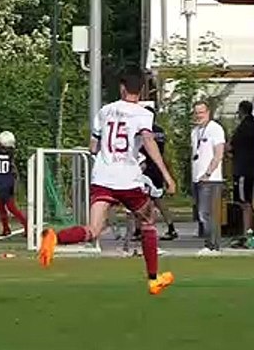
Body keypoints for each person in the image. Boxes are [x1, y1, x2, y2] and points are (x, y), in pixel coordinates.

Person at [38, 67, 178, 296]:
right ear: (141, 91)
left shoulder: (104, 111)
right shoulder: (143, 114)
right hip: (127, 178)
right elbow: (148, 140)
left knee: (94, 230)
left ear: (122, 88)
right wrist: (166, 174)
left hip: (102, 177)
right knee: (149, 221)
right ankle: (153, 279)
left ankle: (55, 237)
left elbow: (93, 147)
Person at [137, 106, 179, 242]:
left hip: (146, 167)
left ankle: (141, 229)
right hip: (158, 168)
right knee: (159, 199)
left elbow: (144, 148)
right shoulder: (160, 131)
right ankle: (171, 226)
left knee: (142, 199)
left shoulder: (144, 132)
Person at [191, 100, 226, 254]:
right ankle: (209, 242)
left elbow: (219, 154)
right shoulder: (195, 131)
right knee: (201, 213)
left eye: (201, 112)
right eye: (196, 113)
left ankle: (213, 245)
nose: (199, 116)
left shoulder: (215, 129)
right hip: (197, 178)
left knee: (207, 213)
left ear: (208, 112)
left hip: (210, 179)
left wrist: (208, 173)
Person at [228, 100, 254, 247]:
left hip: (242, 169)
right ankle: (253, 231)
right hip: (253, 168)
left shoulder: (242, 128)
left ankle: (247, 234)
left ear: (241, 111)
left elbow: (230, 147)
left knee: (244, 203)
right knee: (251, 201)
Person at [0, 131, 27, 236]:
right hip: (9, 181)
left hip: (1, 183)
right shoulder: (10, 153)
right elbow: (10, 144)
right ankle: (6, 228)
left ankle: (26, 226)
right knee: (2, 206)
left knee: (10, 207)